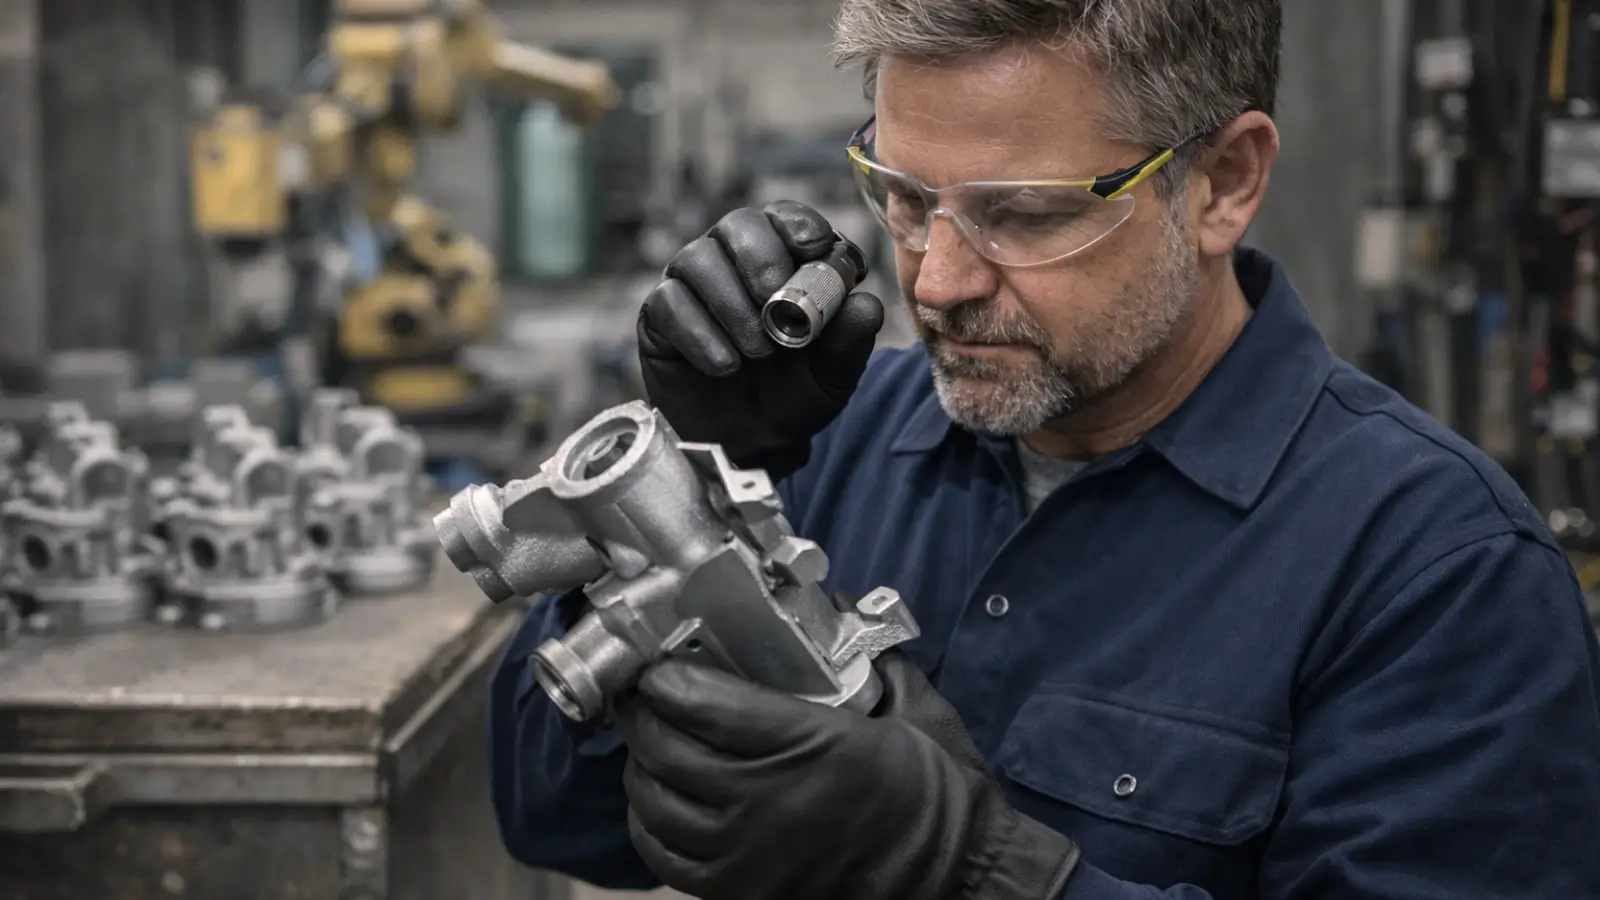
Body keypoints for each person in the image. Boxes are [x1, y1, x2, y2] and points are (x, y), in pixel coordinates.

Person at [487, 1, 1600, 898]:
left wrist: (968, 870)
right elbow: (556, 814)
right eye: (906, 199)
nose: (937, 281)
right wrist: (699, 477)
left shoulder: (1441, 578)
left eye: (1022, 214)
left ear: (1222, 182)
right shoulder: (828, 444)